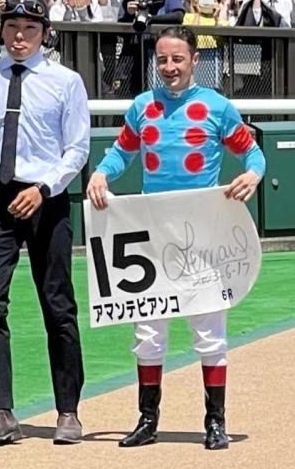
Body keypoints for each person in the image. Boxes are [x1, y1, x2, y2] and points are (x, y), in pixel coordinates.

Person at [86, 25, 265, 451]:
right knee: (148, 332)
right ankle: (148, 420)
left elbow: (253, 152)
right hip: (151, 234)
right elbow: (120, 152)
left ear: (193, 61)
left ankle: (215, 422)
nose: (169, 67)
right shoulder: (142, 107)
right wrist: (99, 172)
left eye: (177, 59)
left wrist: (253, 174)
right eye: (162, 60)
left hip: (202, 235)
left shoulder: (217, 107)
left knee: (209, 330)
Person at [0, 0, 90, 446]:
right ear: (1, 32)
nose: (19, 37)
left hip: (47, 195)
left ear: (45, 34)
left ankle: (68, 411)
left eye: (29, 29)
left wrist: (43, 188)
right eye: (11, 28)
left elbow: (78, 150)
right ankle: (0, 413)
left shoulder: (66, 81)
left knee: (58, 305)